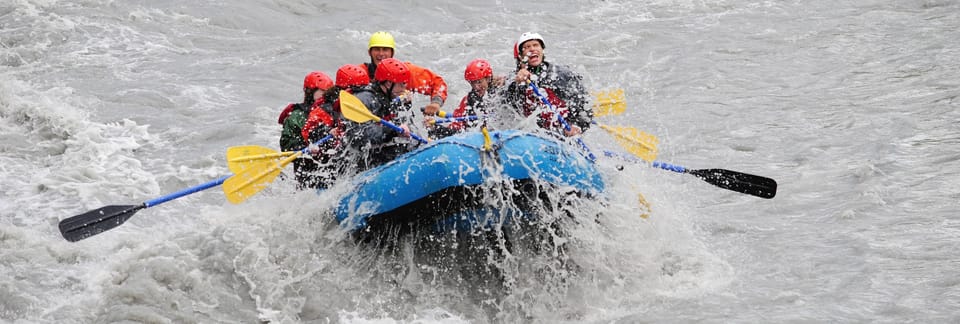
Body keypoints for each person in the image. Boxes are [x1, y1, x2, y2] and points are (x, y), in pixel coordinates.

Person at [505, 32, 592, 137]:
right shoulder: (514, 79)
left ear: (542, 50)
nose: (532, 49)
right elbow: (506, 107)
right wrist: (517, 85)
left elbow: (584, 106)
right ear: (520, 56)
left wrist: (577, 126)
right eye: (527, 47)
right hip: (533, 133)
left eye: (536, 45)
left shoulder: (561, 75)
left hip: (561, 133)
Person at [339, 58, 418, 173]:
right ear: (388, 83)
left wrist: (405, 106)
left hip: (377, 151)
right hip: (358, 161)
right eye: (401, 85)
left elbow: (400, 120)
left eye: (404, 84)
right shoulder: (365, 99)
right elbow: (358, 136)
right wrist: (392, 130)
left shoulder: (387, 96)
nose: (404, 89)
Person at [361, 31, 448, 116]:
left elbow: (437, 83)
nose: (381, 54)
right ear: (369, 52)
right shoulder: (361, 73)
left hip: (398, 120)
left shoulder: (403, 73)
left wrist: (435, 103)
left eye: (385, 50)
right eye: (377, 49)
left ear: (392, 53)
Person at [279, 71, 333, 189]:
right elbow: (286, 145)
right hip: (307, 173)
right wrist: (306, 147)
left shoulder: (332, 110)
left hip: (330, 170)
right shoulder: (296, 116)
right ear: (310, 92)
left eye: (328, 93)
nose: (326, 96)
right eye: (322, 92)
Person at [428, 58, 506, 139]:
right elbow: (456, 129)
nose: (476, 87)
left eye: (479, 82)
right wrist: (435, 128)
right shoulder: (468, 101)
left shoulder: (502, 90)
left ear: (488, 79)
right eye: (473, 82)